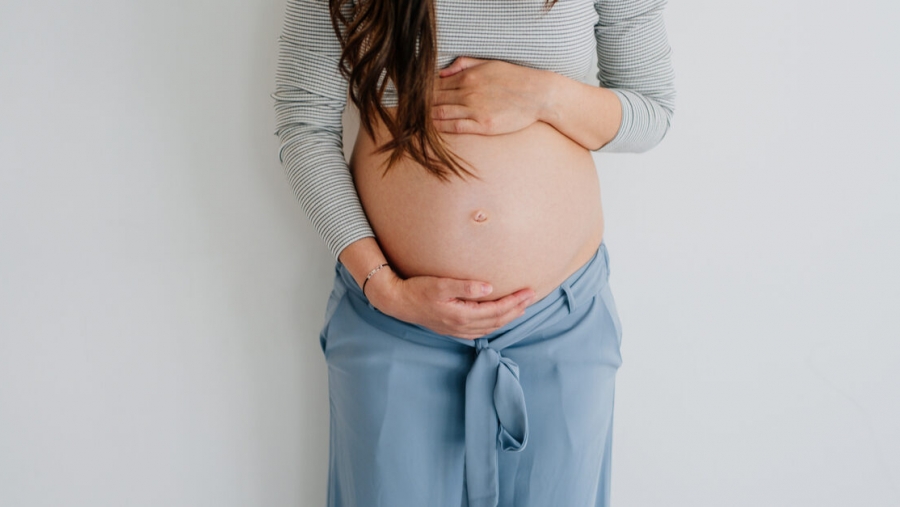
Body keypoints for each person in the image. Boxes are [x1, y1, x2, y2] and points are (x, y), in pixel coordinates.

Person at [271, 0, 676, 503]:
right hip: (393, 322)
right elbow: (304, 124)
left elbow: (652, 111)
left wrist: (544, 95)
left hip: (559, 323)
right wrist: (384, 287)